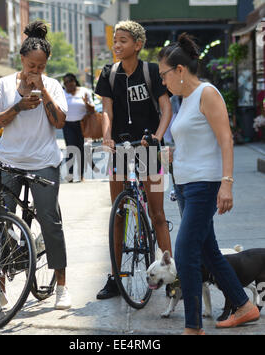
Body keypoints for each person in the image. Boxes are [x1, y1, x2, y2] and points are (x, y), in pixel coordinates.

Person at [158, 32, 259, 335]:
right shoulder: (185, 99)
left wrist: (226, 183)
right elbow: (196, 139)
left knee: (185, 250)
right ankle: (244, 305)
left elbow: (225, 138)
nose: (163, 82)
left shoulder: (207, 92)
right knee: (207, 251)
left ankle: (193, 328)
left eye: (164, 74)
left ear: (179, 70)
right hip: (186, 183)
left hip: (205, 183)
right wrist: (175, 152)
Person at [0, 21, 71, 312]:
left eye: (41, 66)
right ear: (21, 59)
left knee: (50, 221)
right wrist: (19, 106)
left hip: (43, 162)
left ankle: (61, 286)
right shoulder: (3, 85)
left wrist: (43, 92)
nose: (36, 71)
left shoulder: (53, 86)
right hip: (9, 161)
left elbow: (59, 122)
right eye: (31, 65)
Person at [95, 20, 173, 299]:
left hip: (147, 146)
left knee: (158, 215)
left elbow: (166, 109)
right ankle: (115, 279)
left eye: (123, 40)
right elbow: (107, 111)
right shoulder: (109, 73)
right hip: (121, 148)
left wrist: (157, 137)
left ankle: (171, 277)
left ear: (138, 45)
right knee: (118, 215)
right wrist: (107, 136)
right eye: (115, 40)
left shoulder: (151, 72)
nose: (117, 45)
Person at [62, 73, 95, 182]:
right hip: (68, 125)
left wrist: (86, 103)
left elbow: (92, 110)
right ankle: (70, 175)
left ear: (75, 81)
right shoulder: (62, 94)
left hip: (82, 125)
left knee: (81, 150)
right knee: (71, 149)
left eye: (70, 80)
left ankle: (81, 175)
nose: (68, 84)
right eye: (65, 82)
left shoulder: (84, 91)